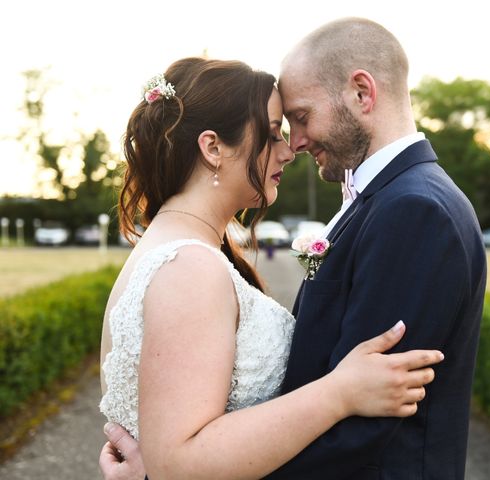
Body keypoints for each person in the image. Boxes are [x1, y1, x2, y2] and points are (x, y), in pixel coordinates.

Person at [98, 56, 444, 480]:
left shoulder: (173, 247)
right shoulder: (188, 266)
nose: (289, 149)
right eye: (273, 133)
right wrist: (339, 393)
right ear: (212, 147)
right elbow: (180, 463)